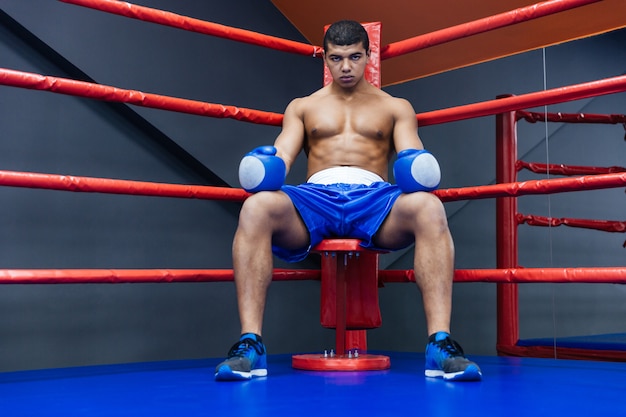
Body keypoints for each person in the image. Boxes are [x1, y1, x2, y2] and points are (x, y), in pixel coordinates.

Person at [215, 20, 481, 382]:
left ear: (368, 56)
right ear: (324, 58)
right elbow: (283, 157)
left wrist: (415, 165)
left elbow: (412, 158)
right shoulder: (303, 107)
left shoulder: (395, 107)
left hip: (374, 198)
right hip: (315, 198)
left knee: (429, 206)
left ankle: (440, 345)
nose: (345, 67)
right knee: (256, 206)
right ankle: (250, 344)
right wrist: (267, 166)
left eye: (355, 57)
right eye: (337, 58)